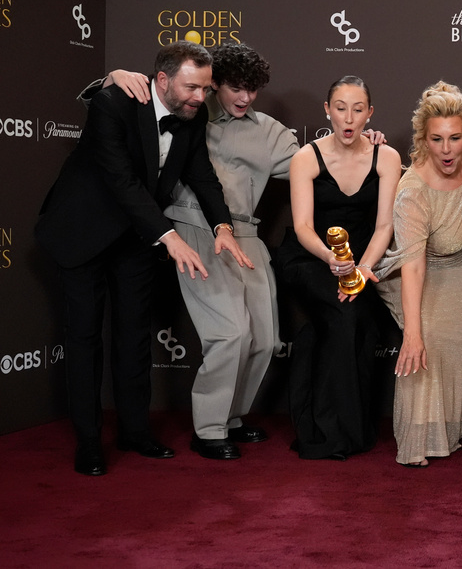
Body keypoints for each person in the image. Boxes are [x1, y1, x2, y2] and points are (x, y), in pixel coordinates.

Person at [35, 41, 250, 476]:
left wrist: (222, 227)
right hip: (83, 230)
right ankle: (89, 441)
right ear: (163, 80)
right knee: (84, 338)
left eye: (206, 89)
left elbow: (201, 175)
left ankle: (134, 431)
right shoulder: (113, 102)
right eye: (192, 87)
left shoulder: (193, 113)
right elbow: (121, 181)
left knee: (133, 335)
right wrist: (169, 237)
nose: (200, 97)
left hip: (136, 236)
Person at [80, 44, 299, 460]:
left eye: (252, 90)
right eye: (235, 87)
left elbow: (318, 164)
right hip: (188, 226)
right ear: (214, 84)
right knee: (230, 332)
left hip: (243, 234)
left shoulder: (268, 130)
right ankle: (210, 428)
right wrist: (111, 77)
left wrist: (367, 143)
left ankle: (232, 417)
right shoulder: (190, 113)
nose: (244, 98)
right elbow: (128, 109)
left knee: (266, 340)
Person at [278, 76, 401, 460]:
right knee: (342, 311)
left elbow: (385, 226)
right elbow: (301, 227)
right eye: (341, 108)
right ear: (327, 110)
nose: (349, 118)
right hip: (311, 258)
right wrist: (332, 259)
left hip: (362, 259)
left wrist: (362, 269)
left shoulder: (387, 158)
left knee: (352, 316)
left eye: (358, 109)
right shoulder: (306, 158)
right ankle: (329, 433)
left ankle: (345, 430)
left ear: (370, 113)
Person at [374, 81, 462, 467]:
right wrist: (412, 332)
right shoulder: (413, 192)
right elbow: (413, 265)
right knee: (427, 339)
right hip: (418, 269)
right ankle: (418, 439)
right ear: (423, 139)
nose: (447, 150)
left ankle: (450, 429)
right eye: (436, 139)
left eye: (455, 138)